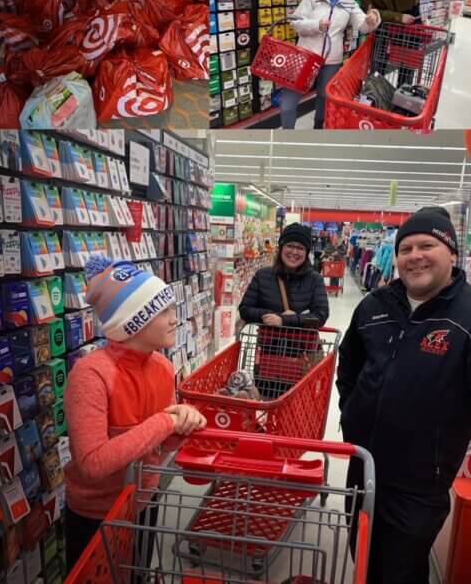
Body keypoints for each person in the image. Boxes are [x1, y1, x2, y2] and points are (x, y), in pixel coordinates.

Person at [337, 206, 471, 584]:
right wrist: (350, 415)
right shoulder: (373, 307)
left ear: (451, 252)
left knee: (399, 570)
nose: (415, 255)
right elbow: (348, 366)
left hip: (420, 481)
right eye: (406, 248)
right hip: (362, 465)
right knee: (363, 556)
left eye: (427, 245)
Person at [64, 256, 207, 573]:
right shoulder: (91, 375)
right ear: (134, 321)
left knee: (139, 573)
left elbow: (158, 446)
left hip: (144, 500)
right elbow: (92, 463)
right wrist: (166, 421)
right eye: (164, 311)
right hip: (96, 515)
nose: (175, 319)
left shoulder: (163, 367)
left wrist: (180, 429)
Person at [282, 0, 382, 128]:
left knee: (324, 97)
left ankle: (318, 129)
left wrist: (374, 17)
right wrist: (316, 25)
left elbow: (364, 27)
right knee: (288, 102)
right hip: (306, 56)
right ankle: (285, 137)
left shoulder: (350, 3)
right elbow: (295, 23)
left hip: (331, 61)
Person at [239, 223, 330, 395]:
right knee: (267, 400)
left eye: (300, 248)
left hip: (302, 357)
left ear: (306, 252)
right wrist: (272, 315)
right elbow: (245, 309)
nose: (294, 252)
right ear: (281, 248)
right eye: (290, 245)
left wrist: (286, 320)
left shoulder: (314, 280)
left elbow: (321, 315)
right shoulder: (263, 276)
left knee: (298, 409)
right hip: (268, 358)